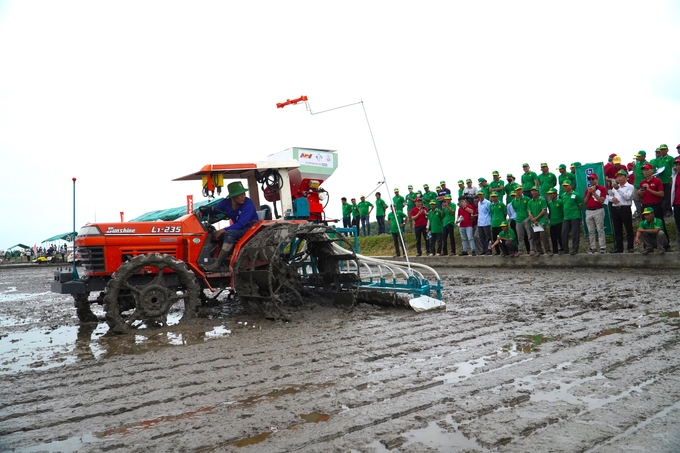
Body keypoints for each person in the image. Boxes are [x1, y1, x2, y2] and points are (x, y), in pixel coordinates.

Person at [199, 181, 260, 271]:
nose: (243, 196)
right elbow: (214, 210)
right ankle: (207, 259)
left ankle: (217, 264)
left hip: (250, 229)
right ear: (233, 197)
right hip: (238, 228)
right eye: (240, 194)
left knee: (229, 234)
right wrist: (203, 211)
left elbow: (241, 223)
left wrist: (222, 230)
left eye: (244, 193)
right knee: (212, 234)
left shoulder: (248, 204)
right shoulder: (225, 203)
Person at [638, 162, 668, 250]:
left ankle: (665, 245)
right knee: (645, 224)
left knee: (661, 224)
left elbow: (661, 194)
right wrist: (640, 193)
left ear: (652, 170)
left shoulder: (657, 180)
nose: (645, 172)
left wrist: (649, 189)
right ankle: (647, 246)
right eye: (644, 170)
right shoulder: (642, 182)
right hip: (646, 205)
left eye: (647, 169)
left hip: (656, 205)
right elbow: (642, 196)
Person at [609, 169, 635, 253]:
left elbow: (628, 197)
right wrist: (612, 199)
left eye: (621, 176)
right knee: (617, 229)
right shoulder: (614, 187)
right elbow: (609, 197)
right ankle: (619, 248)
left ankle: (630, 247)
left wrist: (619, 189)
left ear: (626, 177)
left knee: (628, 229)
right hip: (615, 209)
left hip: (625, 208)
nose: (619, 178)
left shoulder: (630, 186)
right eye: (618, 176)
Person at [583, 173, 607, 254]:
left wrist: (594, 193)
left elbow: (601, 200)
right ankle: (593, 247)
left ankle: (602, 247)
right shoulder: (587, 190)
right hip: (589, 211)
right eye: (590, 180)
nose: (591, 181)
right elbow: (585, 201)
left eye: (593, 179)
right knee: (591, 231)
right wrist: (589, 193)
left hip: (598, 210)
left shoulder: (602, 188)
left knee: (600, 229)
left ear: (596, 179)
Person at [561, 180, 583, 255]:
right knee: (563, 233)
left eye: (566, 185)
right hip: (566, 217)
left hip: (575, 216)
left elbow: (580, 206)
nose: (565, 187)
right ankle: (565, 249)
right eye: (564, 185)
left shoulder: (576, 194)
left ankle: (575, 249)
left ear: (571, 186)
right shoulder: (563, 195)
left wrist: (575, 212)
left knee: (575, 233)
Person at [511, 185, 533, 256]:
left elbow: (530, 209)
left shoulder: (527, 199)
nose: (518, 191)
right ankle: (520, 250)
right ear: (515, 191)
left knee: (530, 236)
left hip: (526, 219)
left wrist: (529, 218)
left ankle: (532, 249)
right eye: (517, 190)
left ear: (522, 190)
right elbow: (515, 209)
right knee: (520, 237)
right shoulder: (513, 201)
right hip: (518, 220)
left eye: (520, 190)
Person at [528, 186, 550, 255]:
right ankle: (539, 251)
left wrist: (536, 218)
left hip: (541, 221)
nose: (533, 192)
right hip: (533, 222)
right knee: (535, 237)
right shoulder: (530, 201)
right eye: (532, 191)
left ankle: (548, 250)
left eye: (535, 191)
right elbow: (529, 212)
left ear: (538, 192)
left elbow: (544, 210)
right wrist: (533, 219)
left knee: (544, 237)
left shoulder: (542, 200)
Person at [656, 144, 674, 217]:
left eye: (664, 149)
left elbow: (673, 169)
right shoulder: (658, 159)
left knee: (668, 196)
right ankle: (663, 210)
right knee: (661, 196)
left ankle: (669, 210)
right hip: (660, 180)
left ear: (667, 150)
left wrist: (671, 179)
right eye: (661, 149)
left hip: (667, 180)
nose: (662, 151)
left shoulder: (670, 158)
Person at [547, 188, 564, 254]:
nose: (550, 195)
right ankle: (555, 250)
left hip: (559, 221)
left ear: (555, 194)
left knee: (560, 236)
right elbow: (550, 212)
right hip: (552, 222)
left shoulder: (560, 201)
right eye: (549, 194)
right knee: (553, 237)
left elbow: (563, 211)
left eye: (551, 194)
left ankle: (563, 248)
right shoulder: (550, 203)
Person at [632, 151, 649, 216]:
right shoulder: (637, 163)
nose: (638, 157)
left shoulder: (647, 164)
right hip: (636, 184)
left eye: (639, 156)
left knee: (643, 198)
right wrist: (633, 167)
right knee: (635, 198)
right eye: (637, 156)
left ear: (644, 156)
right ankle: (639, 212)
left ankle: (645, 211)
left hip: (644, 184)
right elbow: (635, 173)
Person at [476, 191, 492, 255]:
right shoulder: (479, 203)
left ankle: (489, 249)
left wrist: (489, 221)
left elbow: (490, 212)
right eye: (479, 195)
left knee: (488, 237)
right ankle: (484, 250)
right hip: (480, 223)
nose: (480, 196)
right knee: (482, 237)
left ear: (484, 195)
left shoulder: (488, 203)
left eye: (481, 194)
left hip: (486, 222)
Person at [671, 157, 680, 251]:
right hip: (676, 204)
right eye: (676, 165)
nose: (678, 166)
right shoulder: (675, 176)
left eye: (679, 164)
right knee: (678, 226)